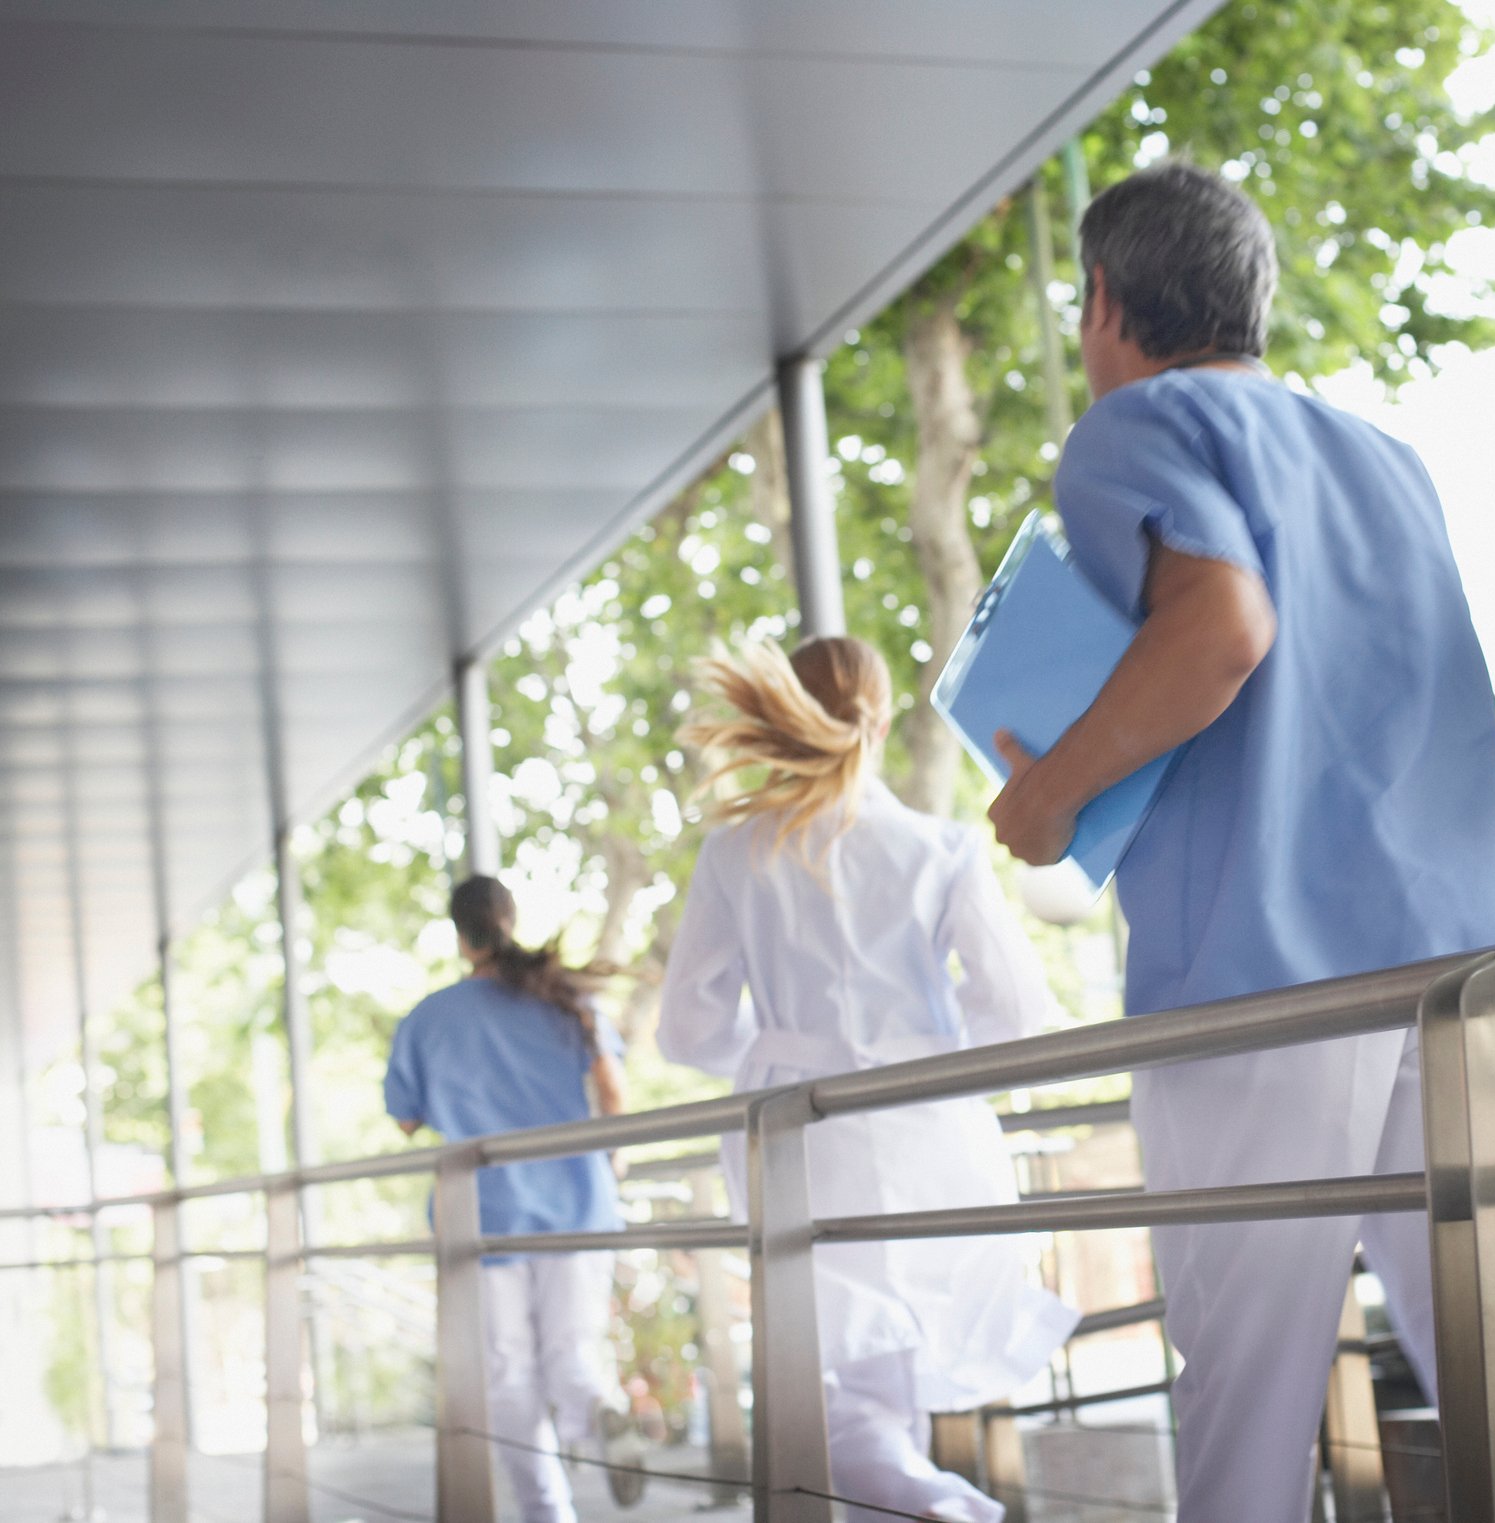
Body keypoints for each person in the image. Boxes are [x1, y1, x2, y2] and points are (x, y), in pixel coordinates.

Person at [986, 162, 1495, 1523]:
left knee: (1247, 1402)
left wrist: (1048, 796)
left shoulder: (1132, 425)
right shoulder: (1381, 457)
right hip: (1467, 965)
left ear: (1102, 300)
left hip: (1267, 983)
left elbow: (1221, 628)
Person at [659, 635, 1077, 1523]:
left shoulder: (736, 852)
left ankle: (937, 1504)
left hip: (798, 1135)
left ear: (782, 719)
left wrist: (772, 1049)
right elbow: (1015, 1007)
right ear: (882, 720)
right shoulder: (941, 845)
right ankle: (933, 1501)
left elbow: (688, 1029)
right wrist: (928, 1048)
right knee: (894, 1365)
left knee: (839, 1372)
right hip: (931, 1126)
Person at [385, 875, 647, 1523]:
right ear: (510, 918)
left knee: (507, 1373)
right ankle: (597, 1413)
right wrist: (609, 1164)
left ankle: (547, 1512)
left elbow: (407, 1117)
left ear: (459, 934)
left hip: (484, 1213)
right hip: (578, 1201)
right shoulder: (564, 1000)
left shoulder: (429, 1018)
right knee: (572, 1352)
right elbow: (612, 1092)